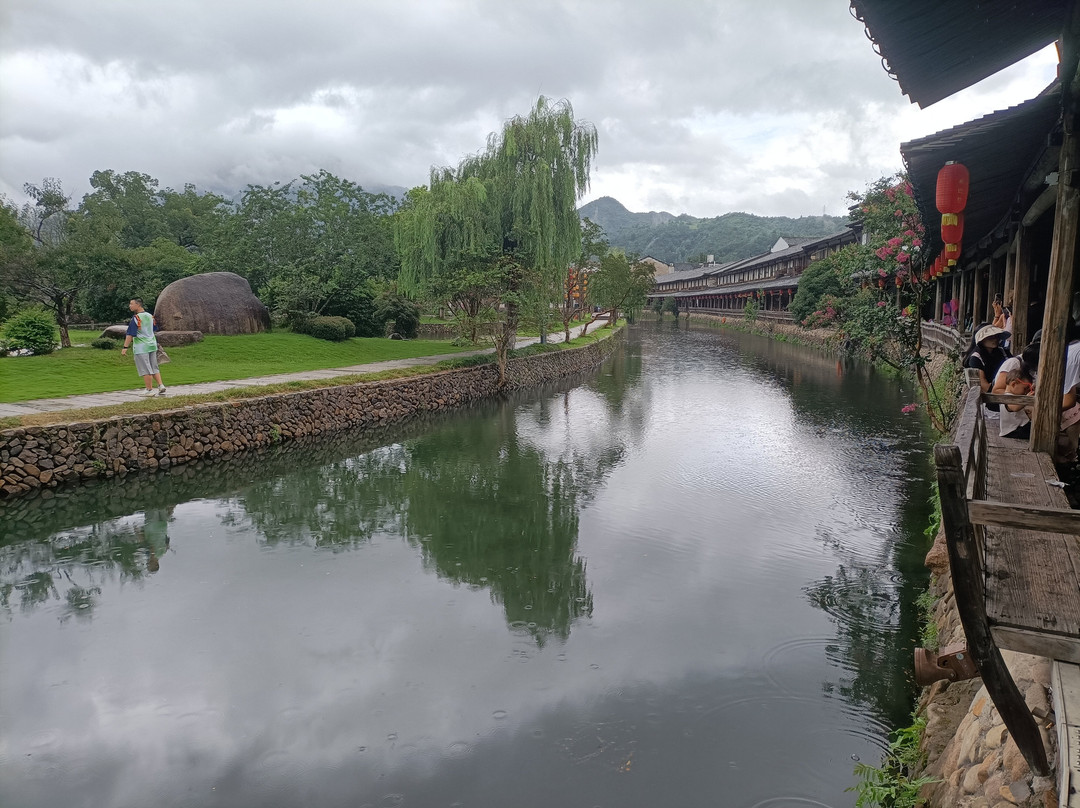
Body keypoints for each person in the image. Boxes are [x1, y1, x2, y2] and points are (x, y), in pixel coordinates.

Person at [121, 298, 167, 397]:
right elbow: (154, 329)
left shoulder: (136, 318)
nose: (130, 306)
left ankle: (149, 390)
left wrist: (125, 347)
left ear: (138, 305)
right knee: (154, 366)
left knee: (145, 368)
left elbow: (130, 334)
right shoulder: (150, 316)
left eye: (131, 304)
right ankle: (160, 385)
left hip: (141, 347)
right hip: (152, 345)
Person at [964, 324, 1010, 394]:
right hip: (991, 396)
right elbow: (985, 386)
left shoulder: (1004, 352)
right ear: (981, 339)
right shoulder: (976, 358)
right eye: (990, 337)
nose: (995, 339)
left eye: (996, 336)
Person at [998, 365, 1033, 440]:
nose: (1026, 392)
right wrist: (1027, 399)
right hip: (1013, 430)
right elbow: (1015, 408)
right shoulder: (1007, 397)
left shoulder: (1012, 396)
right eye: (1025, 389)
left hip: (1018, 428)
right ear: (1014, 384)